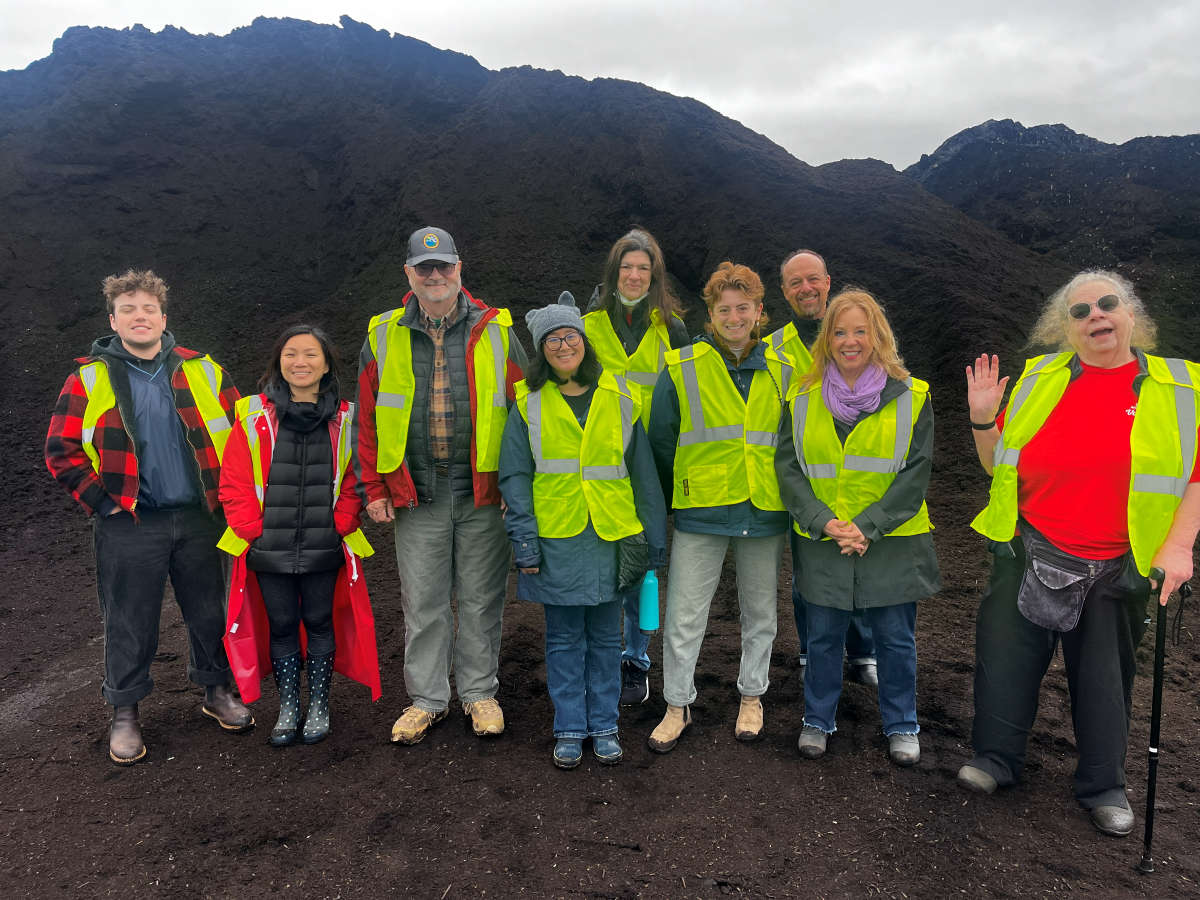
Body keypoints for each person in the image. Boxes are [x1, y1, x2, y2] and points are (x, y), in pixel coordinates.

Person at [959, 269, 1200, 837]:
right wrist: (982, 419)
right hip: (1029, 549)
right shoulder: (1041, 379)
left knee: (1103, 677)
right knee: (1005, 661)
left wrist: (1180, 545)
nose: (1095, 315)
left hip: (1117, 562)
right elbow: (999, 467)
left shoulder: (1181, 389)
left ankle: (1103, 785)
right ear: (1065, 328)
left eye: (1107, 304)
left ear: (1130, 315)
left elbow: (1196, 477)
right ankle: (995, 759)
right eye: (1080, 310)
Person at [45, 269, 253, 765]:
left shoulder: (203, 370)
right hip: (130, 524)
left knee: (210, 612)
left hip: (200, 519)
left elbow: (244, 438)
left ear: (164, 317)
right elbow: (61, 449)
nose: (140, 317)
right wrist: (104, 502)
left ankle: (216, 689)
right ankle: (125, 712)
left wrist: (231, 503)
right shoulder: (89, 378)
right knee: (130, 621)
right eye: (129, 310)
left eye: (149, 309)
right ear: (112, 320)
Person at [355, 227, 528, 745]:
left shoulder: (498, 330)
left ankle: (479, 693)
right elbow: (366, 419)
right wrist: (374, 488)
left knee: (481, 599)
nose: (435, 276)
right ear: (408, 273)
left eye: (444, 267)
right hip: (416, 494)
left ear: (459, 270)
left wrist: (515, 492)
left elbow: (523, 414)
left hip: (482, 494)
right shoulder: (381, 334)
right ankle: (428, 700)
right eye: (424, 268)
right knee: (424, 603)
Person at [499, 295, 668, 768]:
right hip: (557, 539)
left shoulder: (618, 396)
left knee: (606, 637)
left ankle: (605, 723)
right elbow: (514, 476)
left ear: (584, 342)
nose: (563, 344)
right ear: (541, 350)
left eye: (570, 335)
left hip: (613, 537)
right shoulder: (528, 404)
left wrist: (654, 541)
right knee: (563, 638)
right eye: (552, 339)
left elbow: (644, 477)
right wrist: (525, 540)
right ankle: (570, 726)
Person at [775, 289, 940, 766]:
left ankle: (902, 723)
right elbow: (788, 467)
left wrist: (868, 525)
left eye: (860, 331)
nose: (850, 341)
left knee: (895, 639)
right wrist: (823, 520)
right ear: (827, 339)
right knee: (823, 637)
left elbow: (917, 470)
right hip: (825, 539)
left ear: (878, 336)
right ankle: (816, 719)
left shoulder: (913, 395)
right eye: (840, 332)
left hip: (889, 540)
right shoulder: (801, 396)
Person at [646, 262, 793, 751]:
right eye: (724, 309)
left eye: (743, 308)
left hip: (764, 510)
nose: (734, 317)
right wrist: (678, 495)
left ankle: (752, 698)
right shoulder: (681, 365)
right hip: (702, 511)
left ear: (759, 312)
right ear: (710, 314)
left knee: (760, 613)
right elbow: (662, 441)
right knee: (685, 614)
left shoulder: (785, 370)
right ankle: (676, 705)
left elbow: (794, 442)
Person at [218, 325, 381, 747]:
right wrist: (253, 531)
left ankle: (320, 705)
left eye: (311, 354)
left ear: (327, 364)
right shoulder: (254, 416)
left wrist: (342, 522)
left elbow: (355, 478)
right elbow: (233, 480)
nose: (300, 362)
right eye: (291, 354)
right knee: (284, 623)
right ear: (279, 362)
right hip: (267, 546)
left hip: (324, 544)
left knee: (319, 620)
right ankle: (289, 706)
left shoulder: (346, 417)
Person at [583, 229, 689, 707]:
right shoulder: (587, 326)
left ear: (655, 275)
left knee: (643, 560)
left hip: (655, 467)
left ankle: (635, 659)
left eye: (643, 268)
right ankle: (601, 654)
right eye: (626, 266)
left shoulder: (674, 330)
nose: (633, 275)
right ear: (613, 271)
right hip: (602, 464)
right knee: (604, 558)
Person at [768, 249, 877, 688]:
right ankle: (814, 648)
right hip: (807, 477)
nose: (806, 288)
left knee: (860, 562)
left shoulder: (853, 335)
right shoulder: (773, 348)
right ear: (784, 292)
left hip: (858, 471)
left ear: (828, 282)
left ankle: (863, 650)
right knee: (807, 573)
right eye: (795, 283)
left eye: (812, 279)